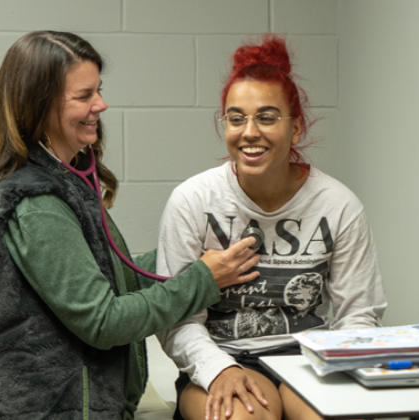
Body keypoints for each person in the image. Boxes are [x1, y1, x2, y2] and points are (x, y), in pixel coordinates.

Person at [0, 31, 261, 420]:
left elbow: (102, 274)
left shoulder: (66, 181)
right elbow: (103, 320)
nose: (101, 104)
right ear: (38, 104)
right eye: (84, 96)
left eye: (98, 90)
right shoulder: (36, 204)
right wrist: (201, 279)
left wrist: (188, 256)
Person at [155, 35, 387, 420]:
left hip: (310, 359)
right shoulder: (192, 200)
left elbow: (358, 313)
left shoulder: (338, 204)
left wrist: (341, 367)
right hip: (225, 358)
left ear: (295, 128)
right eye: (236, 118)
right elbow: (176, 317)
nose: (249, 132)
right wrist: (218, 370)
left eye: (266, 117)